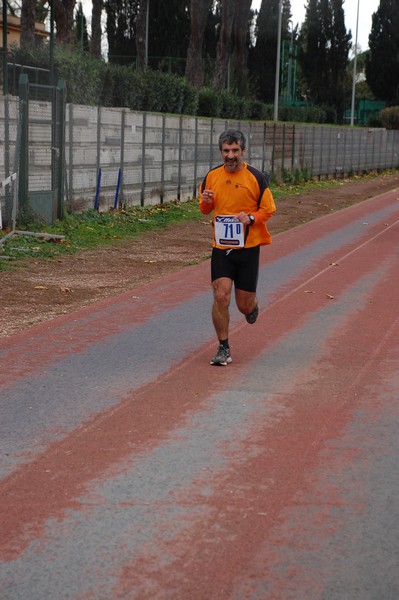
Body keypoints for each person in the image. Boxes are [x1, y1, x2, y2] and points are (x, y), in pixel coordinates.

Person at [199, 129, 276, 366]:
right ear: (221, 152)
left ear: (243, 151)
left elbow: (268, 209)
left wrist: (251, 219)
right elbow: (204, 209)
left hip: (248, 248)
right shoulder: (211, 176)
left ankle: (251, 307)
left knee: (244, 305)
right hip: (222, 247)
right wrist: (207, 201)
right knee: (220, 294)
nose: (230, 156)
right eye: (226, 151)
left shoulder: (256, 177)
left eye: (234, 151)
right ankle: (223, 347)